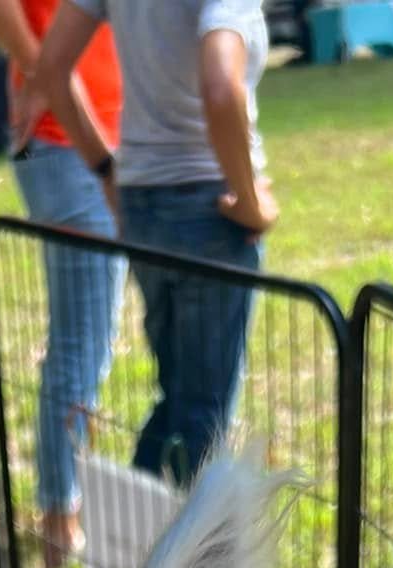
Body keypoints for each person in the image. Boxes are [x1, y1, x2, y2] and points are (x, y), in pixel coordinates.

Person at [25, 0, 275, 485]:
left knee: (181, 396)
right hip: (210, 208)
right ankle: (177, 554)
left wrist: (106, 171)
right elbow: (222, 88)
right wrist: (250, 200)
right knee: (203, 414)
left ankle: (131, 538)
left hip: (143, 202)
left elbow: (51, 70)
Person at [0, 0, 126, 568]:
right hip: (67, 147)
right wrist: (41, 71)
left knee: (86, 341)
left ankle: (64, 508)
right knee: (81, 345)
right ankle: (60, 520)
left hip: (89, 140)